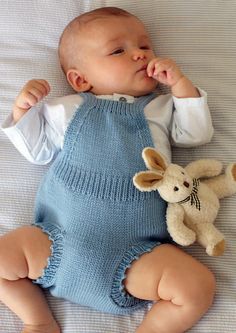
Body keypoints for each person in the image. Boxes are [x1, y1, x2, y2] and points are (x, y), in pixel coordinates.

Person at [1, 6, 215, 333]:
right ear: (80, 79)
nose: (139, 56)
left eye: (145, 47)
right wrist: (23, 110)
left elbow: (196, 133)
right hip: (57, 242)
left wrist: (181, 87)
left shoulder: (159, 108)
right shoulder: (69, 107)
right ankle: (38, 320)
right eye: (119, 50)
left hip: (134, 255)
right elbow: (37, 151)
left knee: (197, 286)